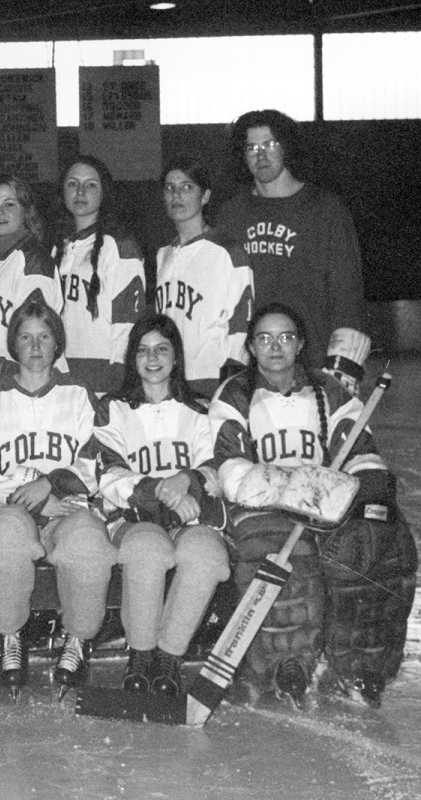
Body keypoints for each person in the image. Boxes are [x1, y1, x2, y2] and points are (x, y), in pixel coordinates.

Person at [208, 302, 396, 707]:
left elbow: (362, 452)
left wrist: (366, 494)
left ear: (300, 345)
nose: (276, 346)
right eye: (265, 338)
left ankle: (359, 663)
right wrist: (289, 487)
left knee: (376, 545)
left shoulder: (329, 391)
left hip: (326, 506)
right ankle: (285, 663)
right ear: (252, 347)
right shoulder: (235, 393)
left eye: (286, 337)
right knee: (281, 557)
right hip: (265, 508)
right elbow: (230, 466)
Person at [0, 298, 106, 695]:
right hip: (13, 507)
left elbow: (95, 466)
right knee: (5, 535)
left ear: (57, 343)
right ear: (13, 343)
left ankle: (78, 639)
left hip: (68, 504)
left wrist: (51, 483)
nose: (35, 347)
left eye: (44, 337)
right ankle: (10, 637)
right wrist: (31, 492)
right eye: (26, 337)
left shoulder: (79, 394)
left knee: (87, 540)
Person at [93, 314, 230, 697]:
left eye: (162, 349)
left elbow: (218, 466)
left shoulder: (202, 409)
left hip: (193, 514)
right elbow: (109, 473)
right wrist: (164, 492)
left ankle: (169, 656)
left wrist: (187, 480)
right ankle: (141, 655)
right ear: (131, 358)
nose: (152, 358)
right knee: (145, 549)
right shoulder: (113, 408)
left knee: (205, 555)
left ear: (176, 357)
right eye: (143, 350)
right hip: (136, 516)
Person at [215, 110, 369, 393]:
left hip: (314, 366)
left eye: (270, 145)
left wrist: (340, 370)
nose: (261, 155)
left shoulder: (326, 210)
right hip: (250, 372)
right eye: (252, 148)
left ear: (287, 148)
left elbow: (347, 296)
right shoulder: (230, 216)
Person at [154, 157, 253, 397]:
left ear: (205, 196)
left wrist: (232, 381)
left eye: (187, 187)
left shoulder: (228, 251)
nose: (176, 195)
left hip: (211, 379)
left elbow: (242, 319)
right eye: (170, 188)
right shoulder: (163, 254)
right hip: (169, 378)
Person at [53, 156, 146, 395]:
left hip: (104, 374)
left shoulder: (120, 247)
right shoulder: (57, 249)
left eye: (91, 184)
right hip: (59, 372)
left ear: (104, 193)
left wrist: (118, 376)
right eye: (72, 184)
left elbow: (129, 321)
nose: (80, 191)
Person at [0, 173, 62, 391]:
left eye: (9, 204)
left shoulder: (34, 261)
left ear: (26, 211)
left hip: (21, 382)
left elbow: (36, 336)